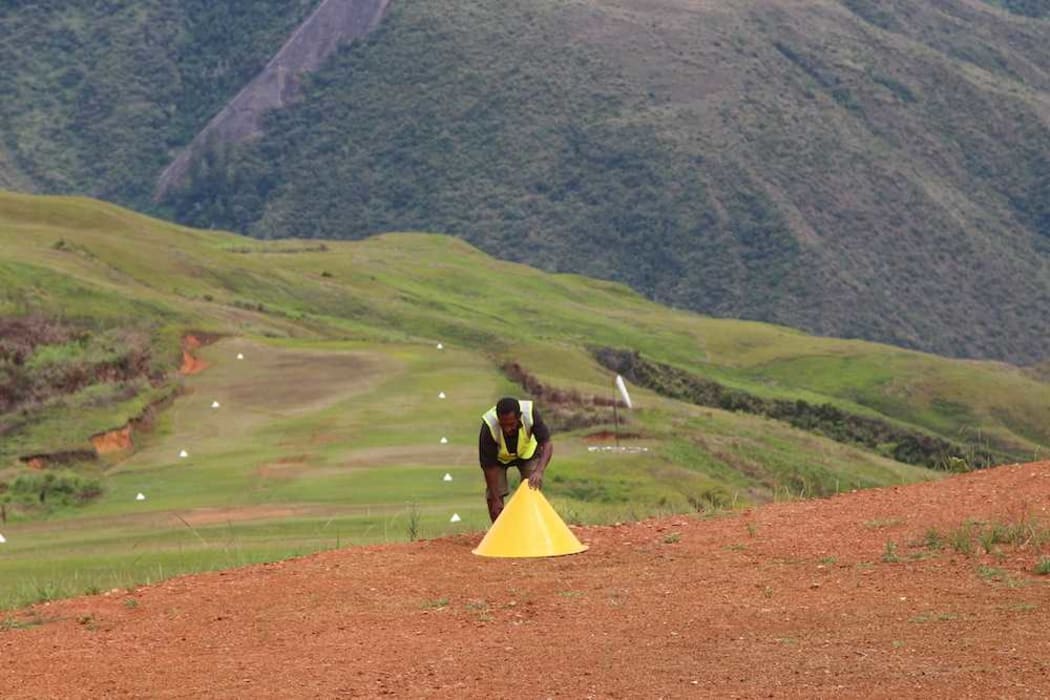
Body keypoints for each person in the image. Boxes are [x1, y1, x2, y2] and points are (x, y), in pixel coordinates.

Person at [478, 396, 553, 522]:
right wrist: (496, 499)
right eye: (503, 425)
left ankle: (528, 526)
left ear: (519, 417)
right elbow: (488, 466)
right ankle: (500, 534)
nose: (507, 429)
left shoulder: (530, 413)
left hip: (527, 454)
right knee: (493, 497)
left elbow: (547, 443)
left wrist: (539, 471)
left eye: (511, 424)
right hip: (499, 459)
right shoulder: (489, 427)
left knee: (532, 487)